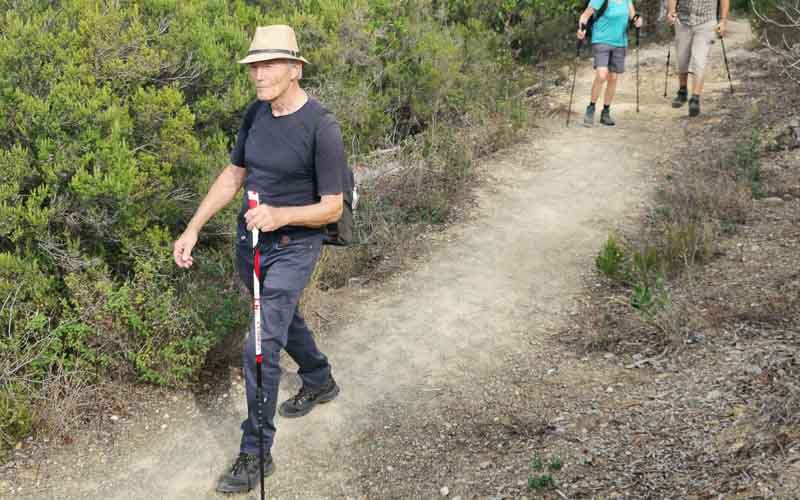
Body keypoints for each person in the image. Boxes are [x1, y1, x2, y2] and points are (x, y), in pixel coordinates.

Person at [172, 24, 345, 494]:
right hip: (250, 243)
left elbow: (333, 206)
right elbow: (233, 176)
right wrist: (193, 226)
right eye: (254, 66)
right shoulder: (255, 114)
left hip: (295, 244)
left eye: (268, 65)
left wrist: (279, 214)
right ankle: (319, 378)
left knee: (258, 344)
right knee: (279, 321)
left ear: (295, 69)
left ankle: (255, 453)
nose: (258, 74)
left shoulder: (322, 127)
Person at [577, 0, 643, 127]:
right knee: (602, 75)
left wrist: (638, 21)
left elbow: (633, 16)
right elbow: (584, 16)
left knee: (613, 77)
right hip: (601, 40)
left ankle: (605, 112)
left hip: (620, 43)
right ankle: (591, 108)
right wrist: (581, 29)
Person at [667, 0, 730, 117]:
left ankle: (695, 98)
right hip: (683, 21)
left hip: (706, 22)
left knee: (699, 60)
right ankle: (682, 91)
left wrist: (723, 21)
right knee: (682, 59)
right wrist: (671, 11)